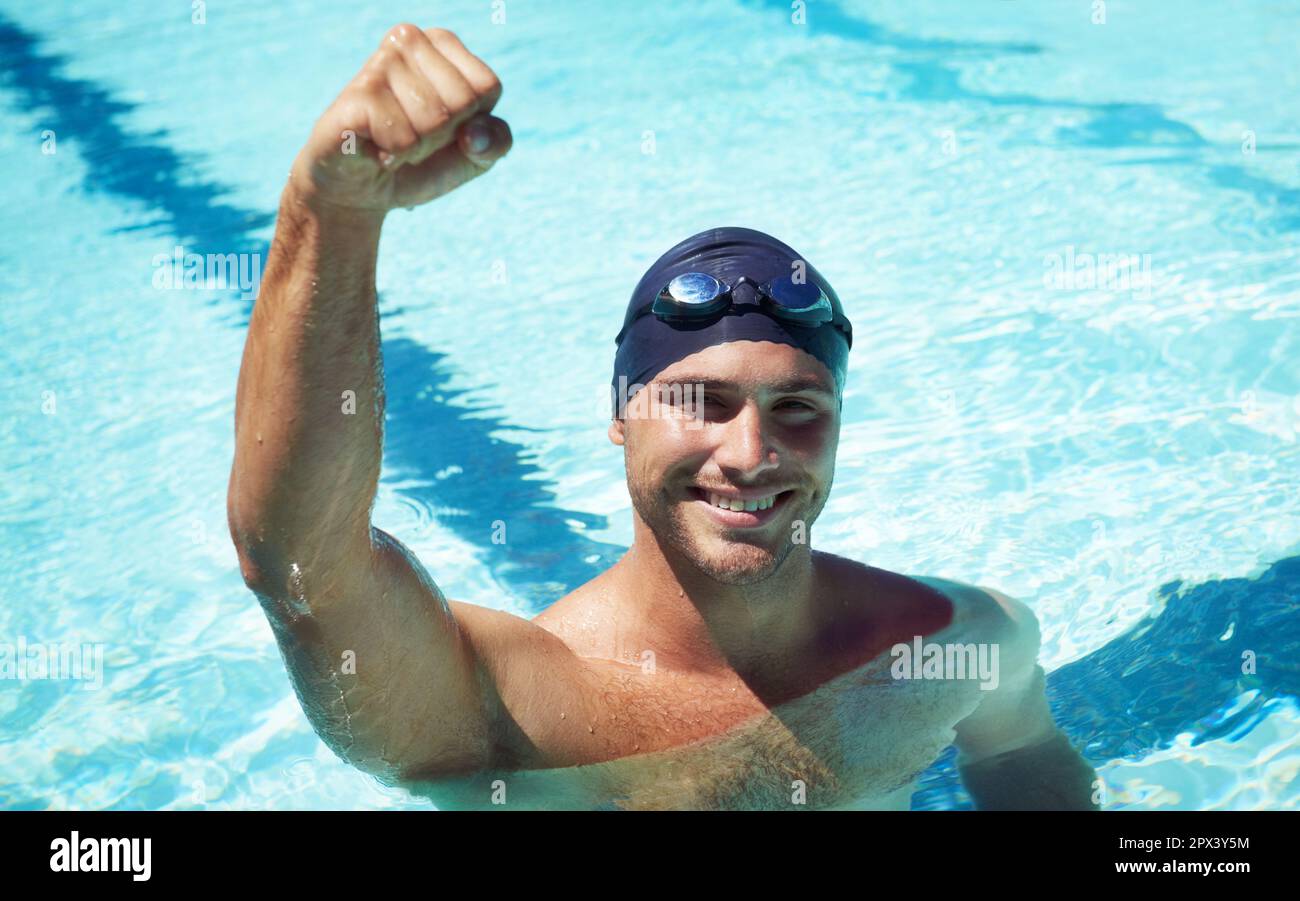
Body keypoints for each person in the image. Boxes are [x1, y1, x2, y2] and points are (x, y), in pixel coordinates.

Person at [227, 23, 1100, 810]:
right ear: (619, 413)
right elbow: (303, 568)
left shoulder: (961, 648)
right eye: (700, 402)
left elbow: (1033, 776)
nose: (751, 453)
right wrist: (332, 213)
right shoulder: (510, 708)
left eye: (796, 406)